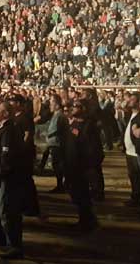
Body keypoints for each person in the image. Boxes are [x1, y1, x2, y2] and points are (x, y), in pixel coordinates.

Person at [0, 101, 26, 259]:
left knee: (8, 211)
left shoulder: (8, 130)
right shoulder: (3, 129)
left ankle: (14, 246)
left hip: (8, 178)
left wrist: (0, 173)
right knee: (4, 209)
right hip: (3, 177)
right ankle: (8, 241)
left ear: (5, 114)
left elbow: (6, 156)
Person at [62, 100, 100, 232]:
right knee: (76, 194)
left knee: (83, 195)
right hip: (72, 165)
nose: (72, 108)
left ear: (83, 108)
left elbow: (93, 148)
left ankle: (88, 222)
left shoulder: (88, 125)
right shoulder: (73, 123)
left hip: (82, 166)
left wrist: (90, 167)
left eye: (76, 106)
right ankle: (85, 220)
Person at [122, 93, 140, 208]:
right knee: (133, 177)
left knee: (139, 178)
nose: (129, 101)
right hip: (129, 152)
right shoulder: (131, 114)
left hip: (137, 152)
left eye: (132, 99)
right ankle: (135, 197)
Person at [45, 95, 66, 193]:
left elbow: (58, 130)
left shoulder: (60, 116)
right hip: (54, 144)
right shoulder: (55, 115)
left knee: (59, 166)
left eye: (52, 102)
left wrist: (49, 135)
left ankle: (61, 185)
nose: (50, 105)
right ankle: (60, 185)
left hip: (57, 144)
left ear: (57, 105)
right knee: (56, 166)